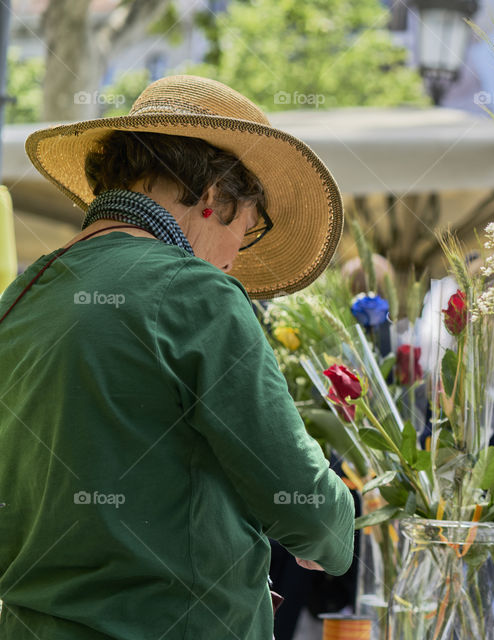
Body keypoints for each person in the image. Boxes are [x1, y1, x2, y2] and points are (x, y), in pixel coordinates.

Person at [0, 75, 355, 639]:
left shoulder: (21, 296)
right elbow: (303, 503)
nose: (238, 257)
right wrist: (341, 525)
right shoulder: (196, 293)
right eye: (250, 225)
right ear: (214, 197)